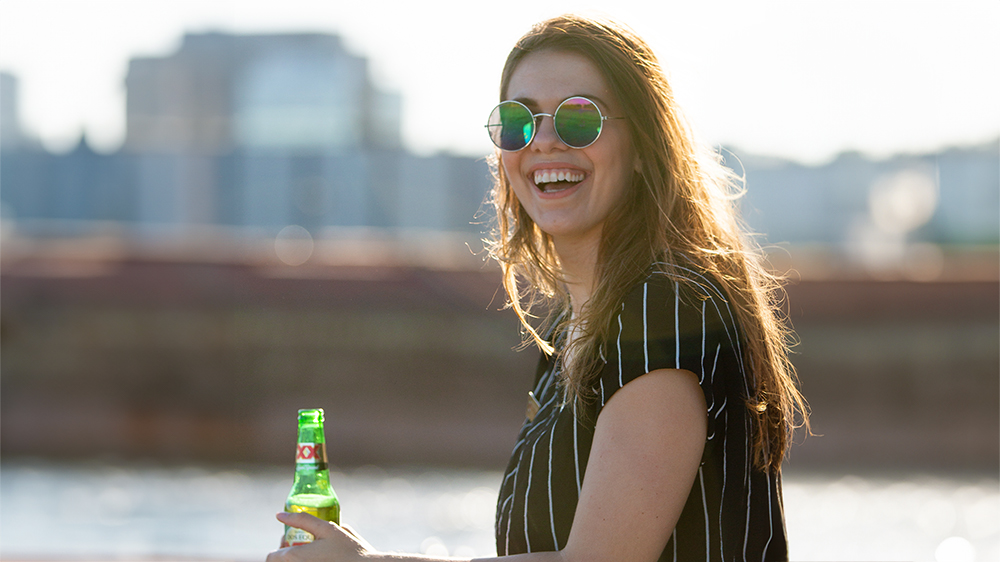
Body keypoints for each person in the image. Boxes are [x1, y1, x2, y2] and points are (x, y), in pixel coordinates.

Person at [268, 13, 808, 562]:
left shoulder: (663, 311)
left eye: (579, 119)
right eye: (518, 122)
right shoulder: (571, 327)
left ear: (645, 146)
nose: (544, 142)